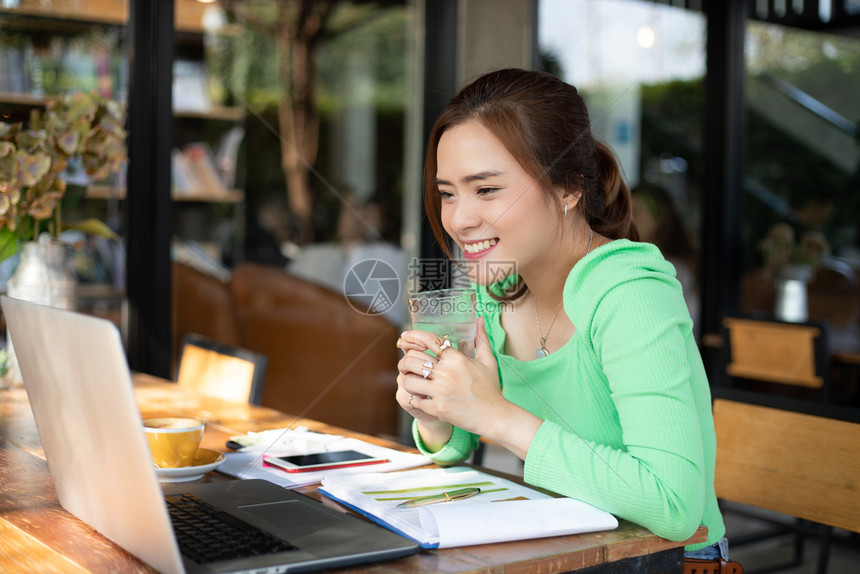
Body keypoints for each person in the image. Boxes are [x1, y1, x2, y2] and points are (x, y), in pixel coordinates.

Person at [395, 69, 729, 560]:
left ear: (568, 188)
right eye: (448, 192)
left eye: (486, 190)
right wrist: (435, 410)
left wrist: (495, 413)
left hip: (663, 561)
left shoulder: (628, 289)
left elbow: (675, 505)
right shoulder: (498, 284)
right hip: (561, 547)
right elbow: (455, 442)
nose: (459, 219)